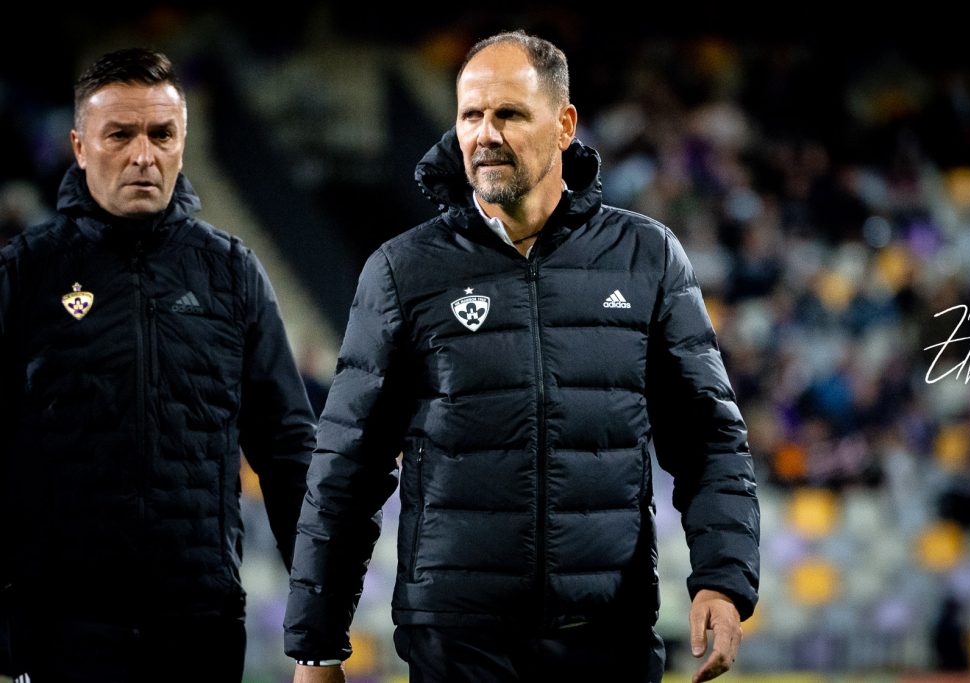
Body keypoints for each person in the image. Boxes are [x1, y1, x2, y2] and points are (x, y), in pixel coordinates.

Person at [284, 30, 759, 683]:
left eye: (508, 113)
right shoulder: (402, 270)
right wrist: (316, 645)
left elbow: (709, 438)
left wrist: (723, 578)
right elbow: (347, 466)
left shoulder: (646, 257)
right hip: (458, 644)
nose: (485, 134)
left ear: (564, 125)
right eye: (471, 115)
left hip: (608, 638)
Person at [0, 48, 316, 682]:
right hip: (62, 633)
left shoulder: (231, 273)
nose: (143, 155)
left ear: (182, 144)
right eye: (120, 134)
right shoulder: (26, 274)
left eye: (161, 134)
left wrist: (320, 622)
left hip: (199, 632)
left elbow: (288, 453)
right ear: (80, 147)